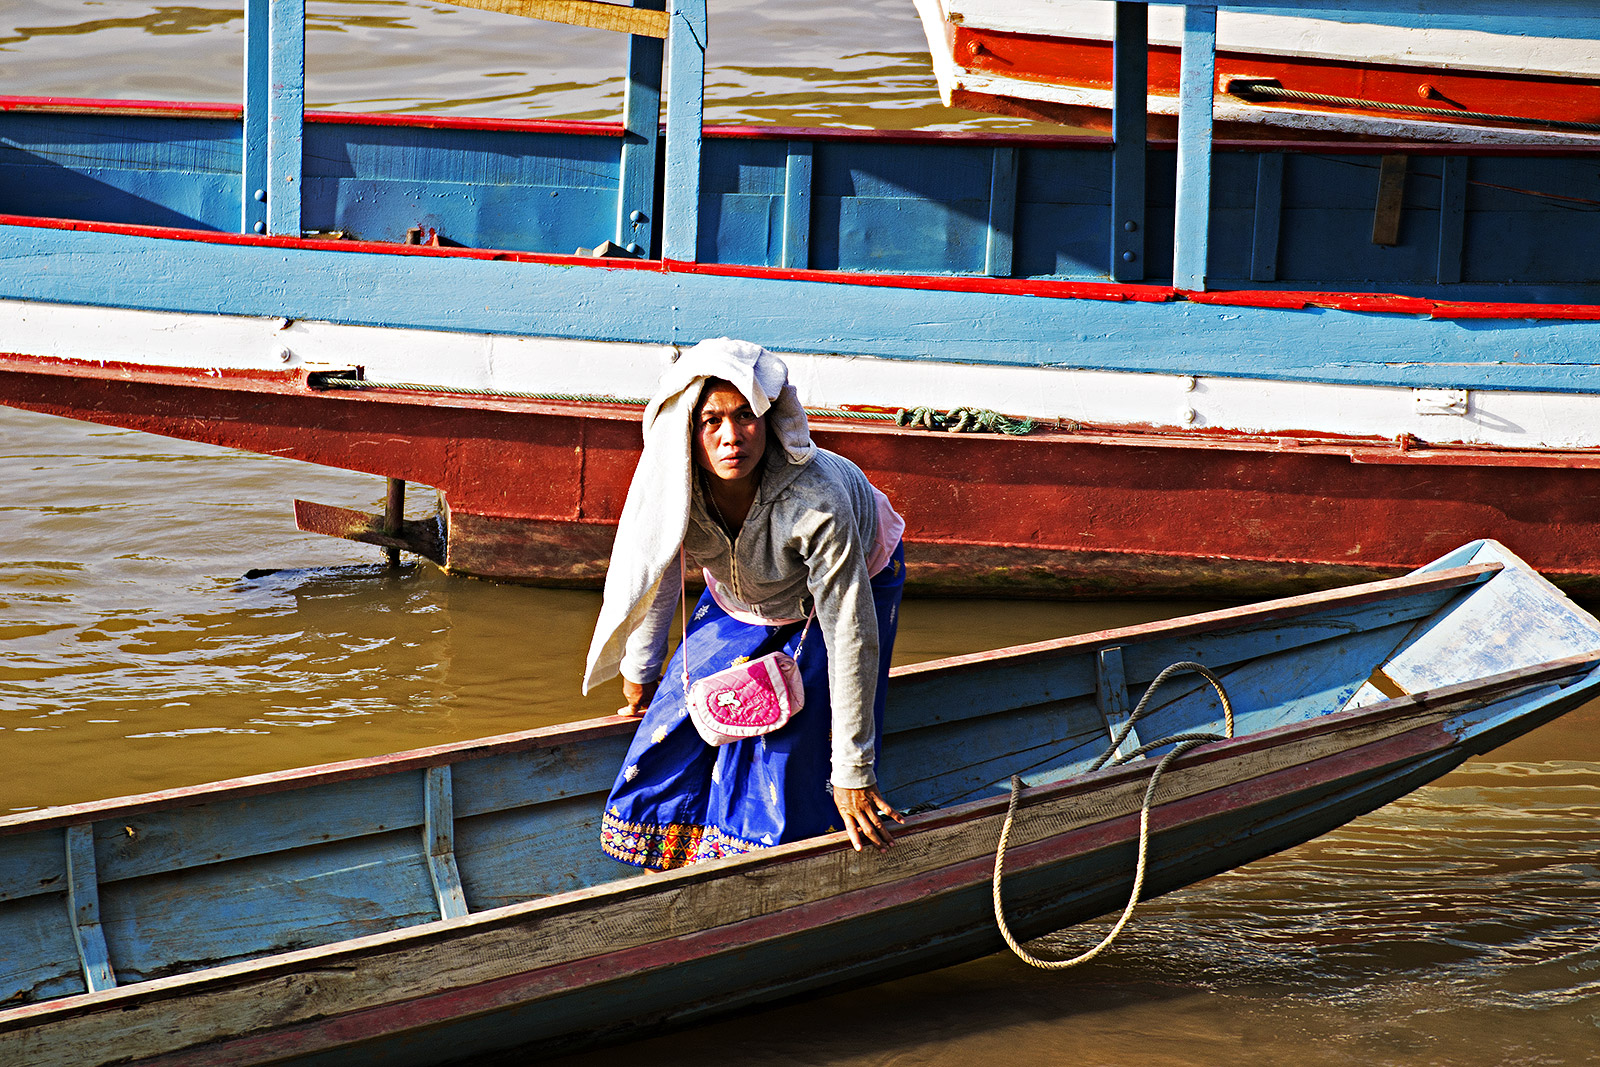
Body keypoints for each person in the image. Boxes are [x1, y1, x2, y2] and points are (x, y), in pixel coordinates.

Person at [582, 337, 907, 870]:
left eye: (746, 416)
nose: (731, 437)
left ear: (771, 418)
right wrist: (640, 671)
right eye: (711, 421)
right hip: (741, 594)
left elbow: (851, 630)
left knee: (782, 747)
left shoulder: (816, 499)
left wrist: (852, 769)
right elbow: (655, 575)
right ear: (687, 430)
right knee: (665, 735)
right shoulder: (670, 487)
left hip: (854, 581)